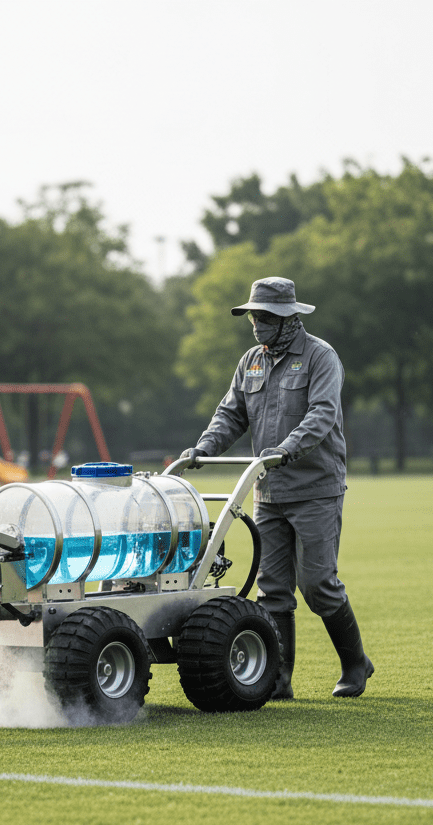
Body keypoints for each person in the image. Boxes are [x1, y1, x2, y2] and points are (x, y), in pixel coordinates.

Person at [180, 276, 373, 700]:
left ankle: (356, 664)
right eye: (252, 316)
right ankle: (280, 677)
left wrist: (287, 448)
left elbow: (322, 414)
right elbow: (230, 414)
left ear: (288, 319)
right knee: (273, 589)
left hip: (316, 488)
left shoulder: (321, 357)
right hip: (269, 490)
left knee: (319, 583)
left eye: (264, 317)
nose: (256, 324)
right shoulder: (251, 361)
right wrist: (204, 449)